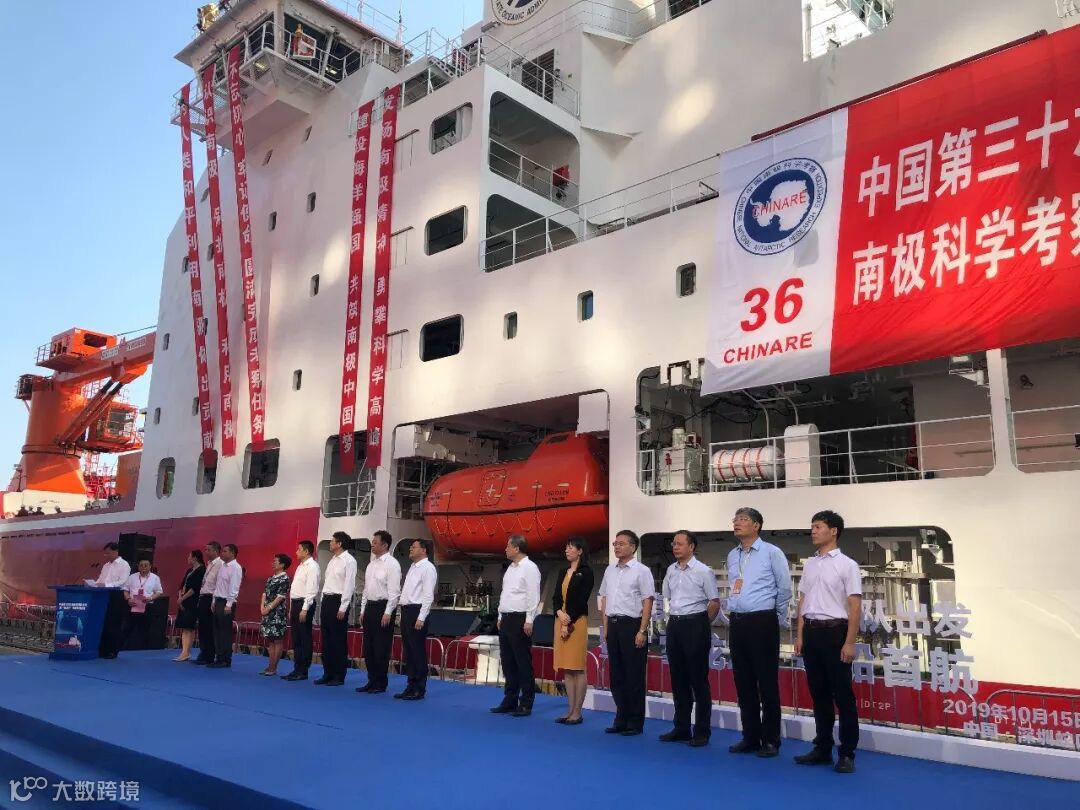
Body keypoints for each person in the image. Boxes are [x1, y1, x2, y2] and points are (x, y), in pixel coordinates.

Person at [793, 510, 861, 774]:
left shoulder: (847, 565)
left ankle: (847, 753)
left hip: (836, 633)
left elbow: (854, 606)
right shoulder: (810, 564)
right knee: (818, 694)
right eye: (812, 526)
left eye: (818, 526)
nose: (813, 531)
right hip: (812, 632)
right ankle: (822, 748)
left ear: (833, 531)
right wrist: (800, 635)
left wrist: (849, 642)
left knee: (843, 696)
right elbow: (803, 601)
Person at [726, 507, 792, 758]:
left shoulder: (772, 552)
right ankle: (750, 737)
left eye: (743, 519)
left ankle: (771, 739)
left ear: (757, 525)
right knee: (743, 682)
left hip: (763, 621)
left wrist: (773, 616)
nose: (737, 523)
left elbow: (784, 588)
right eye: (735, 519)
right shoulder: (732, 555)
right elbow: (735, 586)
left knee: (766, 683)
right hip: (737, 622)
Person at [660, 530, 720, 747]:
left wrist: (701, 623)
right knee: (678, 679)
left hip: (695, 623)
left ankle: (702, 731)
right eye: (673, 544)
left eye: (679, 544)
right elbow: (667, 596)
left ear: (691, 546)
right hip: (675, 624)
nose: (675, 547)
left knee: (698, 680)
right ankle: (681, 727)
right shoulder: (671, 570)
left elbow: (714, 602)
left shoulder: (703, 571)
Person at [598, 530, 655, 736]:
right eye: (615, 544)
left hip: (632, 625)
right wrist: (606, 626)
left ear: (633, 547)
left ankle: (635, 722)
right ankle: (621, 718)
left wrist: (642, 630)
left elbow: (647, 600)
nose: (617, 547)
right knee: (616, 675)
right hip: (613, 625)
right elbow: (604, 597)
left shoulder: (642, 571)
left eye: (621, 543)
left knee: (634, 676)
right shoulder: (610, 571)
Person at [491, 535, 541, 717]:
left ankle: (526, 701)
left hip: (520, 618)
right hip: (506, 617)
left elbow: (533, 595)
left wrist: (529, 619)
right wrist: (500, 615)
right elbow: (505, 594)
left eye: (508, 546)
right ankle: (510, 699)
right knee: (508, 661)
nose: (505, 549)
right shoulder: (510, 569)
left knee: (522, 661)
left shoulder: (530, 568)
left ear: (517, 548)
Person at [552, 536, 594, 725]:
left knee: (577, 667)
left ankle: (577, 712)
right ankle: (569, 709)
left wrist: (567, 623)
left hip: (576, 622)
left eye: (570, 547)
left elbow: (581, 599)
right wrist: (560, 614)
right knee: (567, 669)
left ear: (580, 551)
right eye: (566, 547)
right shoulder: (563, 571)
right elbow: (556, 598)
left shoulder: (586, 572)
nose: (567, 550)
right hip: (561, 620)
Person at [356, 530, 401, 694]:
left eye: (375, 542)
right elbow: (366, 590)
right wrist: (362, 610)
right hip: (370, 607)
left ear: (385, 545)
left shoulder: (392, 564)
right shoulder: (371, 564)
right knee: (368, 647)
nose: (372, 545)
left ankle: (380, 682)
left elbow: (394, 592)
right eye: (372, 542)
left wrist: (388, 612)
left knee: (381, 647)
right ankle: (371, 680)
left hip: (383, 607)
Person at [396, 538, 437, 700]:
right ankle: (410, 684)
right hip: (407, 610)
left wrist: (421, 617)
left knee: (417, 650)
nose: (410, 549)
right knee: (409, 651)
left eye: (414, 547)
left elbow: (428, 595)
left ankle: (419, 688)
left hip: (417, 610)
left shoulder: (428, 568)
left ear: (423, 550)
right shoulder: (413, 567)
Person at [317, 532, 357, 686]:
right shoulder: (332, 560)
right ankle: (327, 673)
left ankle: (338, 675)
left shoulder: (349, 560)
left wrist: (343, 606)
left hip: (338, 601)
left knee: (337, 639)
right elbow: (328, 582)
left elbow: (349, 585)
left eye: (332, 541)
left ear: (340, 544)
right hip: (327, 600)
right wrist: (322, 601)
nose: (330, 543)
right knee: (326, 639)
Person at [283, 540, 319, 681]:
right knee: (296, 638)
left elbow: (311, 590)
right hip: (296, 603)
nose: (296, 552)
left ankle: (303, 670)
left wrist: (304, 609)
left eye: (299, 549)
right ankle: (297, 668)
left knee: (304, 637)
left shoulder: (312, 567)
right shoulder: (300, 567)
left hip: (305, 604)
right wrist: (292, 608)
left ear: (306, 551)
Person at [208, 544, 242, 668]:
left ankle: (225, 659)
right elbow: (218, 585)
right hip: (218, 600)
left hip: (226, 602)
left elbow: (234, 587)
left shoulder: (236, 568)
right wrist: (213, 600)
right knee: (217, 631)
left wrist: (229, 604)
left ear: (232, 553)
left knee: (224, 632)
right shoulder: (223, 566)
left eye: (225, 551)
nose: (222, 553)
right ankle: (219, 657)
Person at [96, 542, 131, 659]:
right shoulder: (106, 566)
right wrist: (93, 584)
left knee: (113, 623)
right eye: (105, 553)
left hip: (116, 595)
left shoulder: (124, 565)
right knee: (103, 622)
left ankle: (112, 650)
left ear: (116, 551)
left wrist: (106, 585)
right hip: (103, 595)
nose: (106, 555)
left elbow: (123, 581)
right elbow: (101, 579)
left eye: (108, 553)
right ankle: (102, 649)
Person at [259, 553, 292, 676]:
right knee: (270, 640)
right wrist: (262, 607)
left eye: (275, 561)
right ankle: (269, 666)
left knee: (277, 640)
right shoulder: (270, 578)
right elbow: (264, 593)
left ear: (282, 564)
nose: (273, 563)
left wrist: (268, 608)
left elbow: (280, 597)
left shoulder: (284, 578)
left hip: (277, 613)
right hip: (267, 612)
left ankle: (274, 667)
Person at [122, 558, 164, 651]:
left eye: (146, 565)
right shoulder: (132, 577)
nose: (143, 567)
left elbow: (159, 592)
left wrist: (151, 598)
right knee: (127, 628)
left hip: (147, 606)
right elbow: (125, 590)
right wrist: (128, 599)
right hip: (133, 605)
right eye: (141, 565)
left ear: (150, 566)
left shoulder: (155, 578)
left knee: (144, 629)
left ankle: (141, 650)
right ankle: (122, 649)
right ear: (138, 566)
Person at [193, 542, 223, 665]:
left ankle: (209, 655)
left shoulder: (220, 564)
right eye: (205, 549)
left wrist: (214, 600)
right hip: (203, 596)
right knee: (202, 627)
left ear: (216, 551)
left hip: (211, 597)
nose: (206, 552)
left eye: (208, 549)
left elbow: (219, 583)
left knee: (209, 628)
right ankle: (203, 652)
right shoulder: (209, 564)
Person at [174, 550, 205, 662]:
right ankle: (184, 652)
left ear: (195, 558)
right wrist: (180, 597)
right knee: (184, 627)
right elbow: (182, 585)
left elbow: (195, 588)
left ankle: (186, 652)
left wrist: (183, 598)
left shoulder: (201, 570)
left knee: (189, 627)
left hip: (192, 601)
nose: (188, 559)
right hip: (184, 600)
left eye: (189, 557)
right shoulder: (189, 570)